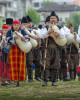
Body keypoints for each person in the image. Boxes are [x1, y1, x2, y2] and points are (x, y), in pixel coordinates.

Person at [6, 20, 29, 87]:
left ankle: (20, 80)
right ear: (13, 26)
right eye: (15, 25)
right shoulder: (9, 32)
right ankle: (15, 81)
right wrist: (13, 37)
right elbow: (7, 39)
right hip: (13, 50)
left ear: (19, 26)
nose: (16, 26)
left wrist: (23, 38)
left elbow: (28, 38)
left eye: (18, 25)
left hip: (21, 50)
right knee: (14, 65)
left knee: (20, 65)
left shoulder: (22, 31)